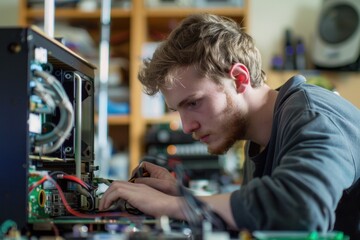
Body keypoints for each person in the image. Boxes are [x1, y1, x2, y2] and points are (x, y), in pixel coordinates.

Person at [99, 13, 360, 238]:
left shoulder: (312, 115)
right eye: (178, 109)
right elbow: (256, 219)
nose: (187, 126)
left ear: (239, 78)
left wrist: (176, 204)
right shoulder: (259, 137)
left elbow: (299, 211)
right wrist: (180, 194)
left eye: (194, 103)